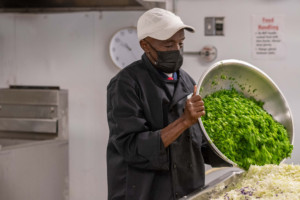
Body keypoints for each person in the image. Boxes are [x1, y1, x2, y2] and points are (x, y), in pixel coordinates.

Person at [106, 8, 231, 200]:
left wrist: (235, 151)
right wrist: (183, 122)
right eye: (168, 45)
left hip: (187, 192)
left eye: (180, 43)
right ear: (145, 45)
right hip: (144, 193)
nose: (176, 50)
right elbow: (131, 148)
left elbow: (201, 146)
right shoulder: (126, 84)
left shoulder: (188, 82)